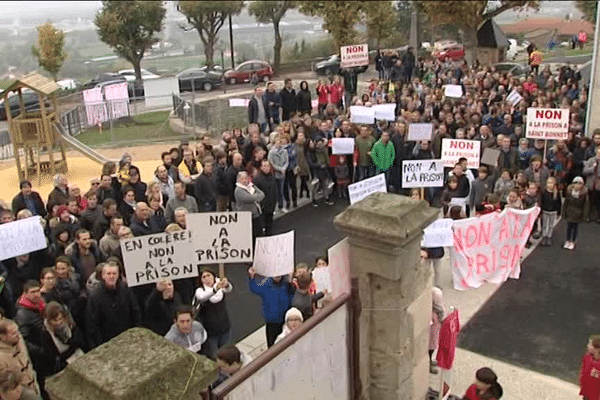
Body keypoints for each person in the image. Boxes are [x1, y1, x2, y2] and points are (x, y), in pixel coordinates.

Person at [86, 263, 142, 349]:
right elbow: (92, 322)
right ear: (103, 276)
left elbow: (135, 311)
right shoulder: (95, 295)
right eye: (108, 274)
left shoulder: (126, 289)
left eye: (114, 273)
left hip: (127, 337)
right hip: (107, 341)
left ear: (118, 275)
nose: (111, 276)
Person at [247, 265, 294, 348]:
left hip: (285, 320)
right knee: (272, 345)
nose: (277, 276)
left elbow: (293, 293)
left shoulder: (287, 284)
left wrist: (291, 280)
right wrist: (252, 277)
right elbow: (254, 288)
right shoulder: (266, 284)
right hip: (271, 321)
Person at [39, 302, 84, 385]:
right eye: (55, 320)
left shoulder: (69, 323)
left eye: (60, 318)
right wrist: (71, 349)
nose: (58, 323)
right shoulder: (46, 333)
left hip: (77, 356)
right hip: (64, 365)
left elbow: (78, 339)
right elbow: (51, 355)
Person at [193, 269, 232, 360]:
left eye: (208, 275)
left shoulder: (219, 284)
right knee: (214, 357)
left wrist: (226, 284)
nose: (207, 278)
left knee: (227, 355)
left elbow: (229, 289)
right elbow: (203, 297)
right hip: (210, 332)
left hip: (225, 327)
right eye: (204, 277)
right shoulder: (200, 291)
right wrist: (216, 289)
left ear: (213, 276)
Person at [0, 319, 39, 395]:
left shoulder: (19, 339)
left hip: (35, 386)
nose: (18, 334)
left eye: (18, 331)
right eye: (14, 333)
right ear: (2, 337)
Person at [234, 171, 265, 240]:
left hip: (255, 214)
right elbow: (249, 198)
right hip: (246, 217)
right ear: (239, 180)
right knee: (251, 237)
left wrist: (256, 196)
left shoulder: (251, 186)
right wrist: (257, 196)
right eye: (242, 179)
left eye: (246, 178)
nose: (245, 180)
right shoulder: (238, 190)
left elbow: (262, 194)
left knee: (259, 234)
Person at [562, 176, 589, 250]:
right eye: (576, 183)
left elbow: (586, 205)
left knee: (575, 228)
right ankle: (567, 240)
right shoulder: (569, 192)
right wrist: (563, 213)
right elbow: (566, 203)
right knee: (569, 228)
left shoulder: (584, 194)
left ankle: (573, 241)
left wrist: (584, 215)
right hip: (569, 212)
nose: (577, 185)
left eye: (579, 183)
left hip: (578, 213)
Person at [253, 159, 277, 236]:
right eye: (264, 166)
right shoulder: (257, 179)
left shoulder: (272, 177)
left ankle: (269, 235)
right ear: (261, 167)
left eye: (268, 166)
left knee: (269, 224)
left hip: (271, 204)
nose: (266, 168)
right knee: (262, 225)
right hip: (263, 206)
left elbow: (275, 190)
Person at [268, 135, 289, 213]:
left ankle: (281, 206)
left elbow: (287, 161)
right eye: (277, 142)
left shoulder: (284, 151)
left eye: (280, 142)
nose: (278, 144)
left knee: (281, 191)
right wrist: (280, 169)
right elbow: (271, 163)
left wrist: (284, 168)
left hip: (282, 174)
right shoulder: (271, 152)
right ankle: (273, 208)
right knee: (274, 192)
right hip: (275, 174)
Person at [540, 177, 561, 246]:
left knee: (551, 225)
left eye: (551, 183)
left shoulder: (556, 193)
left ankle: (549, 236)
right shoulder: (544, 192)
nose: (550, 184)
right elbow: (541, 202)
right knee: (545, 225)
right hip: (545, 210)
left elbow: (559, 202)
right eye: (549, 183)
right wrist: (541, 211)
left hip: (553, 211)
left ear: (554, 184)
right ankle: (544, 236)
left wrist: (559, 212)